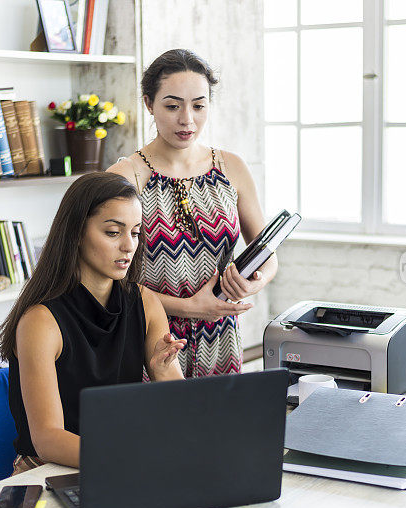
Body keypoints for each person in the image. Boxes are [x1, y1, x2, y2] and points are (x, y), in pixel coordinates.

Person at [0, 172, 185, 474]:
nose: (128, 246)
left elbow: (182, 411)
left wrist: (160, 374)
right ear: (77, 232)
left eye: (135, 233)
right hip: (49, 470)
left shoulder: (144, 302)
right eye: (112, 232)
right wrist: (127, 460)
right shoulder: (40, 321)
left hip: (117, 462)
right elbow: (48, 440)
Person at [108, 48, 278, 378]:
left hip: (221, 338)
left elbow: (268, 255)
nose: (187, 119)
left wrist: (252, 283)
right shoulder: (126, 176)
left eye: (199, 106)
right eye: (172, 106)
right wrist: (190, 307)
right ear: (149, 104)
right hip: (150, 339)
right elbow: (110, 279)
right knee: (157, 428)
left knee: (219, 428)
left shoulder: (232, 167)